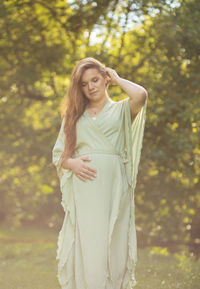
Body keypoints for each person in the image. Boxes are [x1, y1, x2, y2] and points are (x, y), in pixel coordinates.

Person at [52, 57, 148, 289]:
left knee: (114, 242)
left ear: (105, 79)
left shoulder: (122, 109)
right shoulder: (74, 116)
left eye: (95, 80)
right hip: (85, 188)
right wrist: (73, 164)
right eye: (84, 84)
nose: (90, 87)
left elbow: (141, 95)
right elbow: (59, 155)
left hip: (115, 187)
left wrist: (116, 78)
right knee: (90, 242)